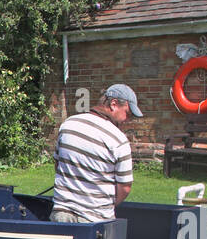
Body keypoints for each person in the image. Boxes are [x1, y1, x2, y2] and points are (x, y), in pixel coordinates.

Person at [50, 83, 140, 224]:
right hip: (95, 220)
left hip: (61, 214)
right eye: (127, 113)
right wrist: (103, 205)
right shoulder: (119, 140)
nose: (126, 119)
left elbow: (58, 165)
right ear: (113, 104)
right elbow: (125, 187)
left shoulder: (68, 124)